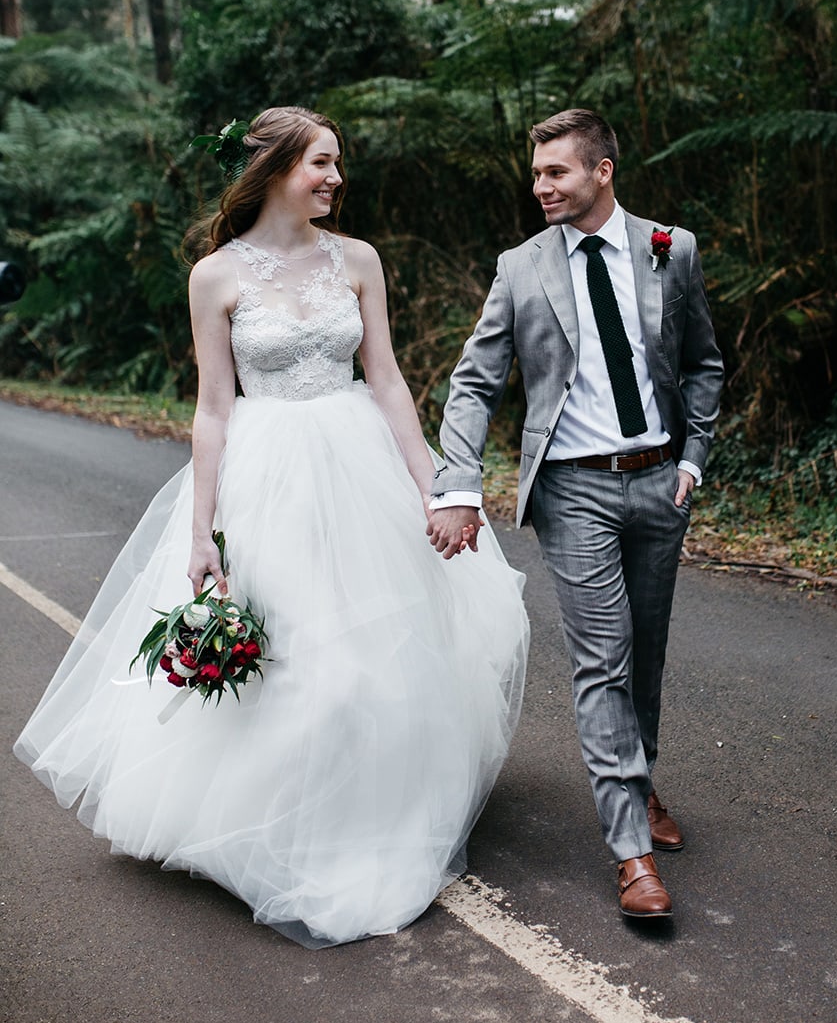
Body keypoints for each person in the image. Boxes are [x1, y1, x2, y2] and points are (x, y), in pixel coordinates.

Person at [14, 106, 529, 948]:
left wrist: (438, 488)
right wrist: (201, 531)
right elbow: (213, 409)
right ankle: (288, 829)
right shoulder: (215, 276)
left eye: (337, 164)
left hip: (359, 461)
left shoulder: (357, 260)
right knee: (298, 660)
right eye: (321, 163)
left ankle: (378, 808)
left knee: (380, 653)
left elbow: (391, 382)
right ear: (276, 169)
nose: (335, 178)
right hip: (267, 477)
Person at [427, 108, 723, 921]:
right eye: (536, 173)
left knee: (648, 654)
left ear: (602, 171)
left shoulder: (673, 249)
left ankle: (641, 780)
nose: (541, 187)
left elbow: (703, 363)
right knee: (603, 660)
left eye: (556, 172)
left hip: (661, 483)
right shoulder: (520, 268)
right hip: (573, 490)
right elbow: (475, 381)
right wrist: (458, 482)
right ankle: (630, 851)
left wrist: (693, 459)